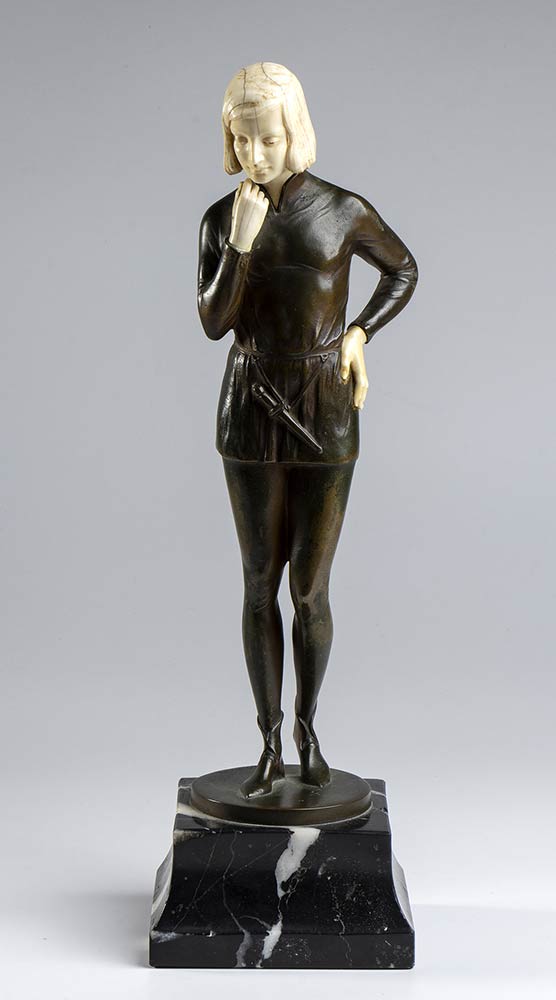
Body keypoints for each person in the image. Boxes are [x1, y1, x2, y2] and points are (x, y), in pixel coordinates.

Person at [197, 63, 418, 798]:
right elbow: (213, 322)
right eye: (242, 140)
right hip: (250, 405)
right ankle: (266, 741)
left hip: (325, 405)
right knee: (259, 581)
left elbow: (403, 270)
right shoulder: (222, 219)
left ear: (294, 132)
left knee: (311, 590)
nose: (255, 155)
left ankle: (308, 729)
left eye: (268, 139)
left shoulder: (343, 210)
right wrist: (241, 243)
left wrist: (358, 333)